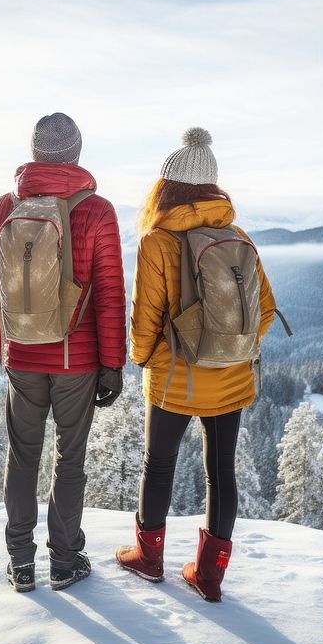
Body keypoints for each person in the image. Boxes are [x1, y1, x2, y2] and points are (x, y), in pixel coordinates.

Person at [116, 127, 278, 602]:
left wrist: (144, 359)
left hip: (175, 377)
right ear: (212, 188)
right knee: (221, 471)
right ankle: (209, 576)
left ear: (166, 187)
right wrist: (231, 347)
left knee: (159, 464)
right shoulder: (237, 236)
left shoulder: (157, 241)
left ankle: (148, 558)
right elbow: (265, 309)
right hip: (231, 377)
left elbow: (145, 316)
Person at [0, 112, 126, 592]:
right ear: (77, 153)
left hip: (23, 357)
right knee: (70, 458)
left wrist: (8, 346)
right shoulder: (97, 210)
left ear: (35, 152)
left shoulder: (4, 208)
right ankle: (65, 561)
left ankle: (21, 561)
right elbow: (108, 293)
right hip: (75, 361)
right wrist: (112, 365)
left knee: (22, 457)